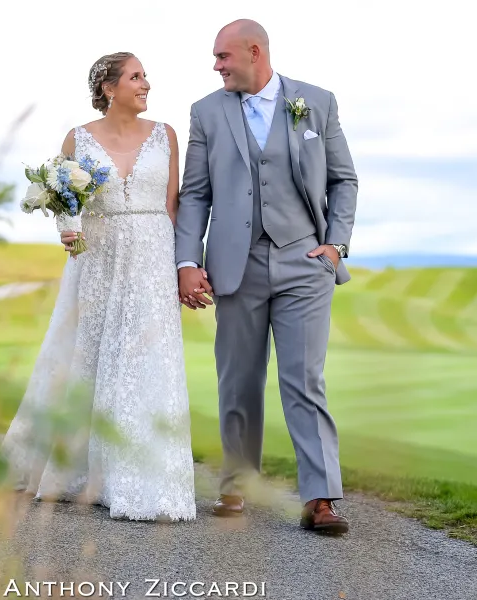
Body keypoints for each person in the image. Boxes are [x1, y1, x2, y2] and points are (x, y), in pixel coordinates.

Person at [174, 19, 358, 534]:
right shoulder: (206, 112)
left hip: (306, 260)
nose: (216, 66)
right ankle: (236, 486)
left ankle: (320, 497)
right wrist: (187, 263)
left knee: (304, 380)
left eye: (222, 57)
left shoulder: (317, 101)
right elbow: (195, 194)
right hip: (236, 264)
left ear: (253, 52)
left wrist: (336, 248)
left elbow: (344, 180)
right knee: (238, 380)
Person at [0, 52, 197, 522]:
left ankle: (149, 481)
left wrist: (184, 266)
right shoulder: (78, 138)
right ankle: (74, 472)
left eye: (145, 75)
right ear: (109, 88)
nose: (146, 83)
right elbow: (64, 204)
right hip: (97, 260)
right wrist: (66, 229)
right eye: (136, 76)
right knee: (83, 356)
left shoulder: (166, 135)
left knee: (148, 362)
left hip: (151, 259)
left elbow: (174, 206)